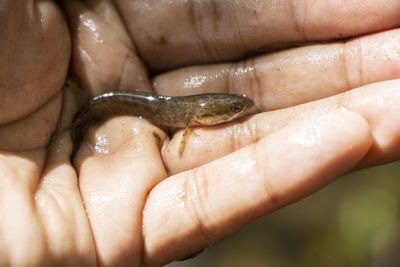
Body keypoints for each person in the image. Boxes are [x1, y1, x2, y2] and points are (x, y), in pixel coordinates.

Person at [0, 0, 399, 266]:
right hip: (129, 103)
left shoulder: (200, 111)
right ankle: (83, 120)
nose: (242, 112)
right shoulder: (192, 116)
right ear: (207, 117)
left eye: (238, 108)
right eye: (234, 110)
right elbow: (193, 121)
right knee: (100, 109)